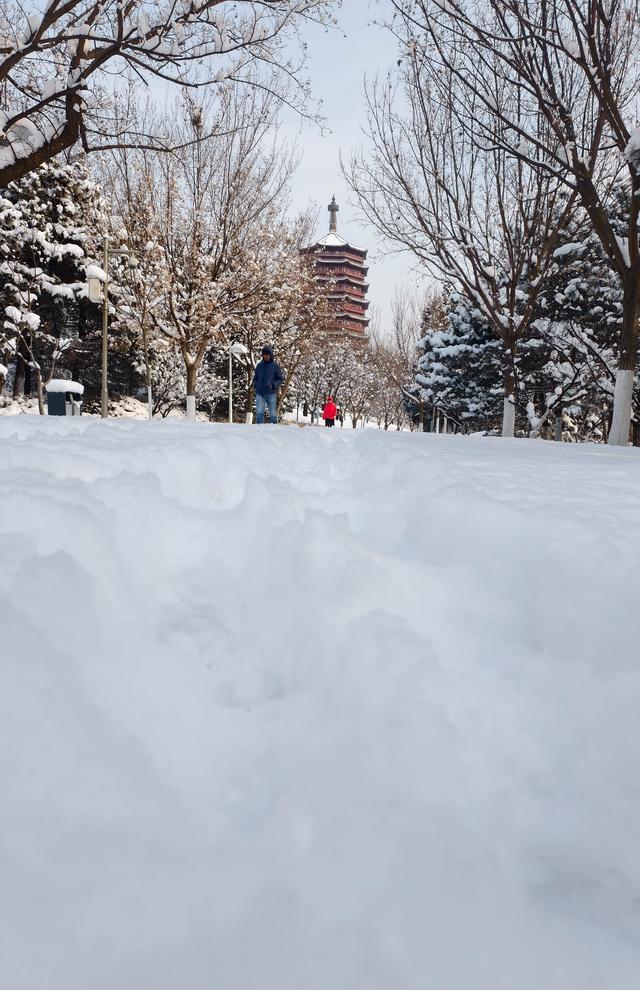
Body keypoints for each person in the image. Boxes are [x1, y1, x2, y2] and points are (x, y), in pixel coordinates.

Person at [252, 346, 283, 424]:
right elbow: (255, 378)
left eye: (268, 354)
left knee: (272, 414)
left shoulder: (275, 366)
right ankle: (259, 430)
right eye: (264, 354)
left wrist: (273, 385)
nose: (266, 356)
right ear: (263, 355)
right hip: (260, 393)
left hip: (271, 393)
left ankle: (274, 430)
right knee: (259, 413)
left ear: (271, 355)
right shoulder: (259, 366)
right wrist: (255, 385)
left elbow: (280, 379)